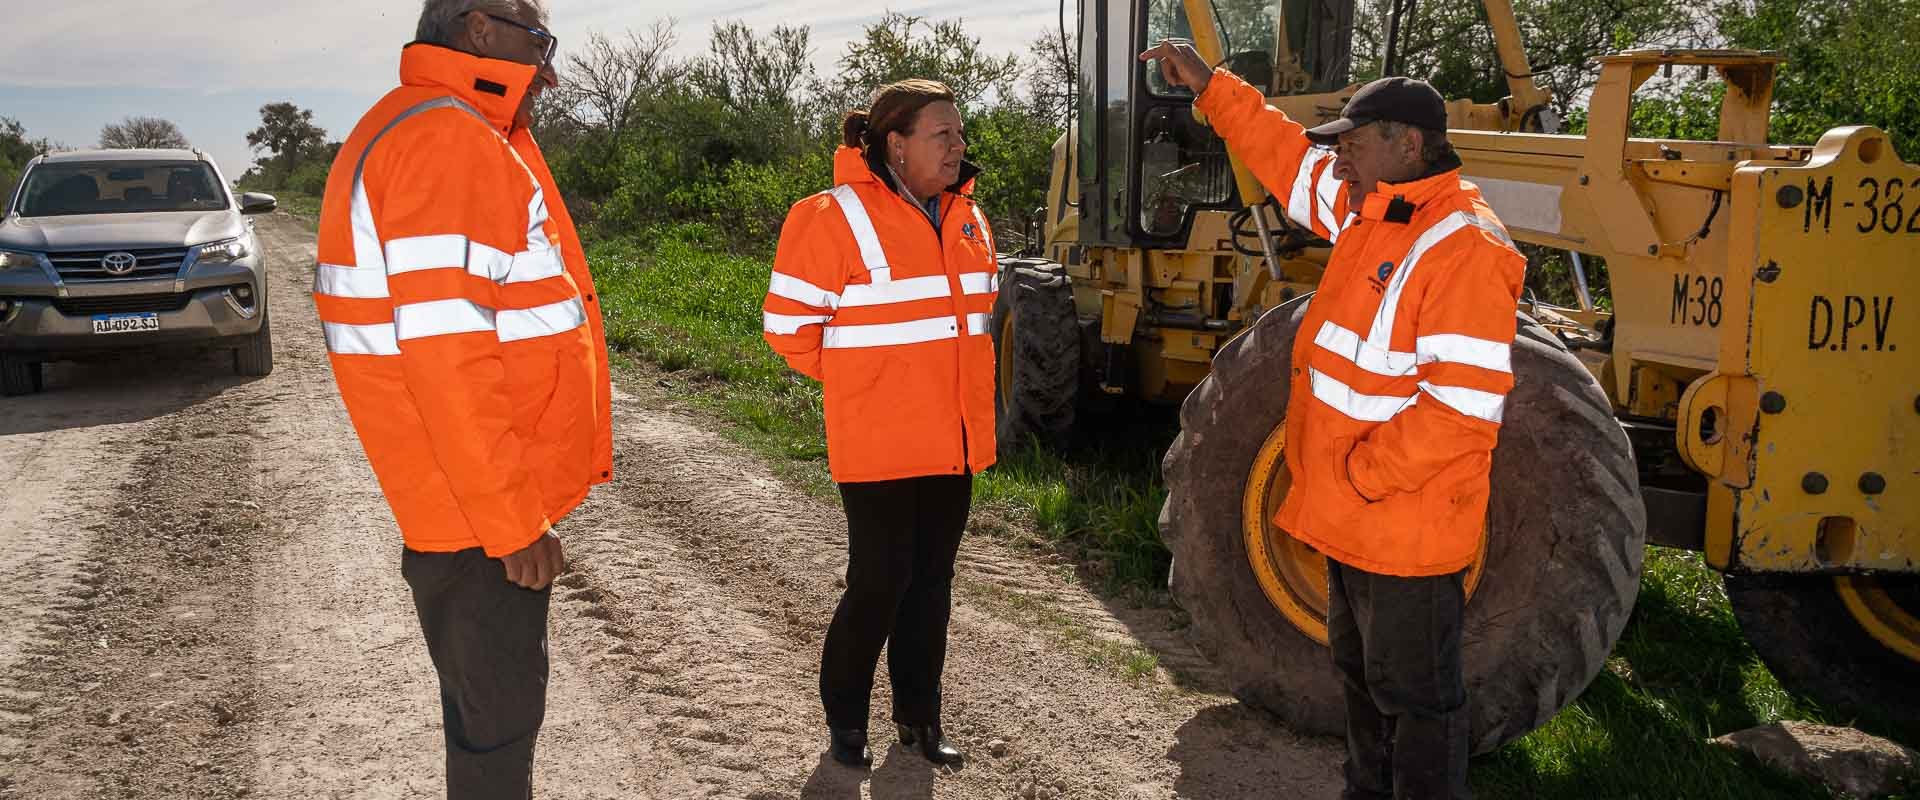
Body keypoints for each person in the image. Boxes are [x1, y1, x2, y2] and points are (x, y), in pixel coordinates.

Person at [1141, 40, 1525, 800]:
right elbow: (1283, 155)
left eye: (1352, 145)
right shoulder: (1371, 208)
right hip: (1354, 522)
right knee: (1361, 680)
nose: (1338, 161)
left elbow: (1461, 410)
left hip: (1404, 528)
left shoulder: (1464, 247)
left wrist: (1359, 474)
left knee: (1418, 701)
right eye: (1339, 148)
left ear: (1407, 144)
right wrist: (1212, 87)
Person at [311, 1, 612, 797]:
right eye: (538, 42)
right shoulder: (449, 138)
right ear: (480, 29)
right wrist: (512, 520)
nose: (549, 69)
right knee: (498, 737)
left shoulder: (420, 125)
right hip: (478, 521)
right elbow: (451, 359)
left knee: (485, 728)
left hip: (456, 507)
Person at [761, 79, 999, 770]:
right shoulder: (828, 216)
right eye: (941, 135)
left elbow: (973, 328)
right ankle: (846, 721)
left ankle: (919, 720)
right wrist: (864, 390)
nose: (958, 147)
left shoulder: (968, 218)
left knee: (932, 584)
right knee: (879, 581)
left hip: (952, 440)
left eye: (959, 133)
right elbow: (787, 329)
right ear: (895, 143)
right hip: (881, 441)